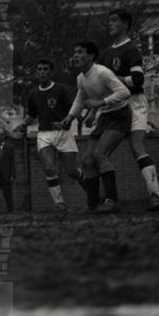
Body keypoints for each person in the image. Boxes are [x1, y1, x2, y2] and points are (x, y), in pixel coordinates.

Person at [99, 9, 159, 211]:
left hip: (133, 103)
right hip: (114, 106)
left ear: (125, 24)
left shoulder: (131, 50)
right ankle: (109, 200)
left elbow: (137, 80)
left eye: (114, 20)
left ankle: (156, 195)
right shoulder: (105, 54)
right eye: (109, 20)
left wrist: (114, 80)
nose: (110, 23)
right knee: (100, 153)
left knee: (137, 147)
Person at [59, 41, 131, 214]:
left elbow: (125, 92)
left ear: (91, 56)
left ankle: (112, 201)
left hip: (120, 116)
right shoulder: (81, 78)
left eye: (80, 52)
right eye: (74, 52)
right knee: (87, 161)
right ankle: (93, 205)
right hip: (104, 118)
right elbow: (80, 98)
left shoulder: (102, 72)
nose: (75, 56)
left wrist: (100, 103)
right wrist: (70, 117)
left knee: (100, 154)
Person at [23, 59, 83, 212]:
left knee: (72, 172)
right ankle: (59, 204)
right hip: (44, 134)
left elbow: (72, 111)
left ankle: (88, 183)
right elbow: (31, 115)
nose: (41, 72)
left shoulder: (60, 89)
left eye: (45, 69)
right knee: (49, 168)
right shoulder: (33, 93)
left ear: (51, 72)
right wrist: (21, 125)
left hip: (63, 134)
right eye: (39, 69)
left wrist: (65, 122)